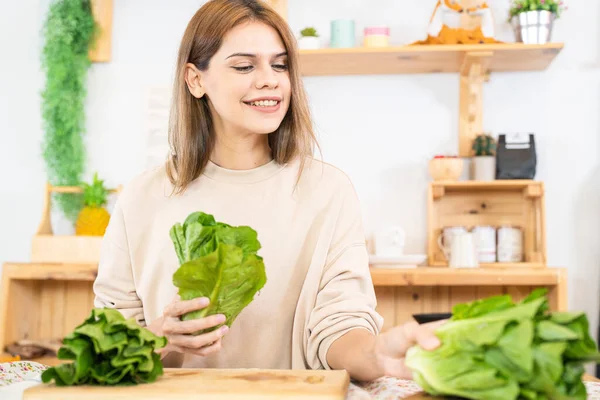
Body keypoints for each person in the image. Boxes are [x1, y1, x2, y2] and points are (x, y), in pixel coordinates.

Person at [93, 0, 442, 382]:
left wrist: (376, 355)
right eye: (244, 66)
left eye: (279, 65)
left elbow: (340, 321)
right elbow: (105, 343)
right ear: (195, 80)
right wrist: (161, 337)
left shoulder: (327, 191)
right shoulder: (142, 197)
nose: (270, 80)